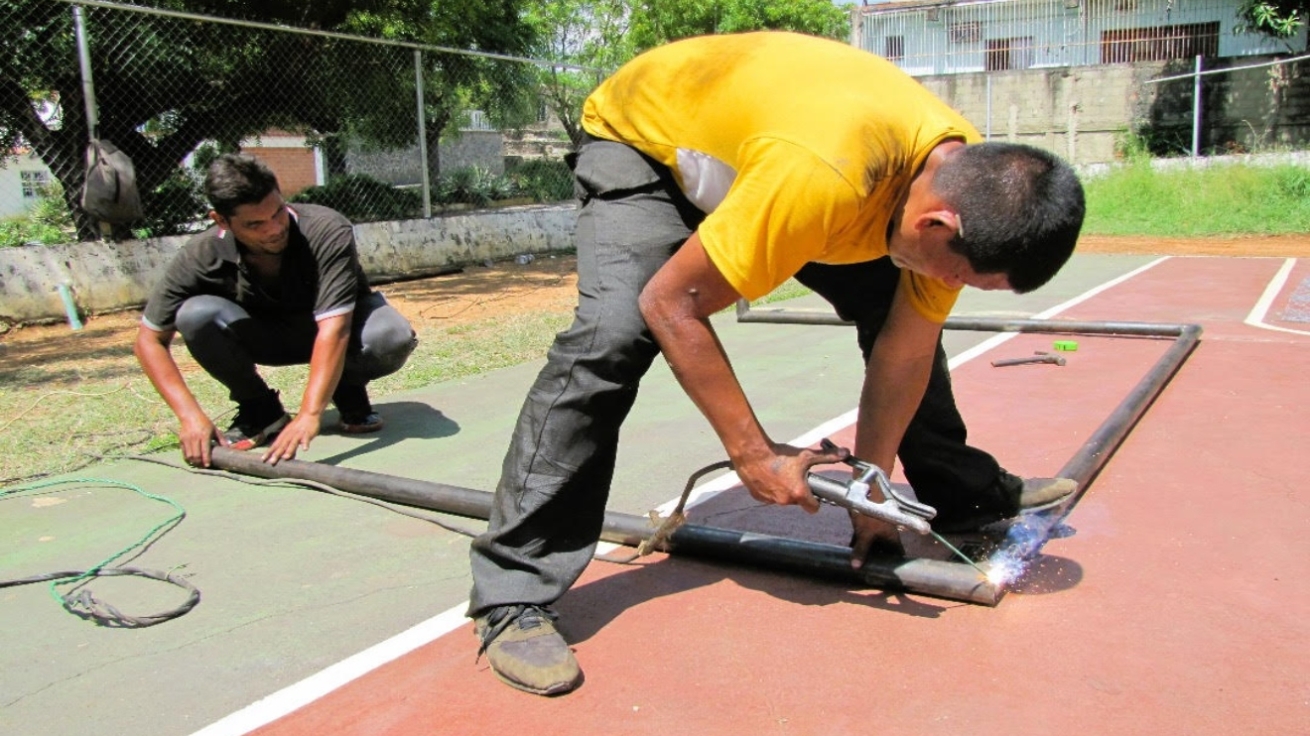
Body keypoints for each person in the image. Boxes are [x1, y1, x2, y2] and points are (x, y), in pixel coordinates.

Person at [468, 31, 1086, 696]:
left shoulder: (969, 182)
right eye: (964, 275)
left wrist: (870, 494)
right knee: (612, 337)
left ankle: (958, 495)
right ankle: (513, 593)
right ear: (936, 225)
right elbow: (672, 303)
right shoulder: (824, 176)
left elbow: (904, 351)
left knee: (903, 312)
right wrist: (753, 454)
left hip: (783, 159)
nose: (955, 285)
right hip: (648, 145)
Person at [135, 153, 417, 468]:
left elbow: (335, 328)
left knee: (390, 335)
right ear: (221, 221)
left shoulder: (326, 228)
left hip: (338, 331)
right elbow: (149, 340)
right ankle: (261, 410)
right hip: (270, 335)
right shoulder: (201, 254)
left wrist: (311, 414)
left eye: (278, 213)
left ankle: (346, 388)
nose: (273, 229)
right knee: (194, 314)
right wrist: (190, 417)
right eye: (255, 224)